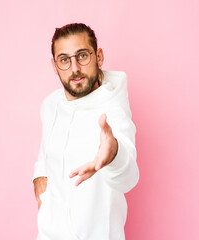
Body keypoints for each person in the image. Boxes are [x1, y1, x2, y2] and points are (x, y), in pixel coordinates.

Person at [32, 23, 139, 240]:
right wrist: (39, 177)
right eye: (64, 60)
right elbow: (46, 154)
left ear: (99, 56)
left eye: (82, 56)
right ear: (54, 65)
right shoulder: (50, 105)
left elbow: (128, 179)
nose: (74, 69)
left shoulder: (112, 112)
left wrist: (114, 154)